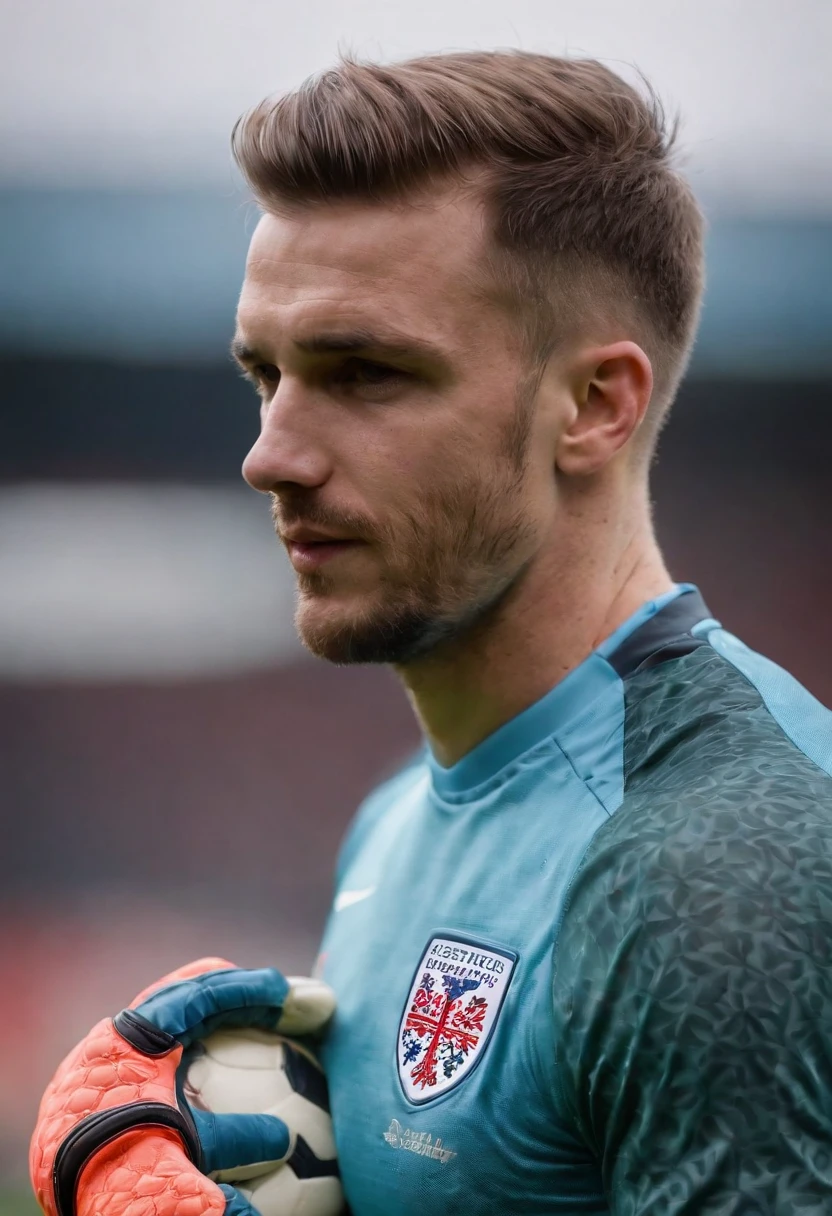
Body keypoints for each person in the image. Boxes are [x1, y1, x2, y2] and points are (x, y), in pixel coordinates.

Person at [31, 48, 832, 1216]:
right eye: (268, 374)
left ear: (594, 405)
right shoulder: (401, 814)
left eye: (366, 373)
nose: (271, 454)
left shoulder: (717, 875)